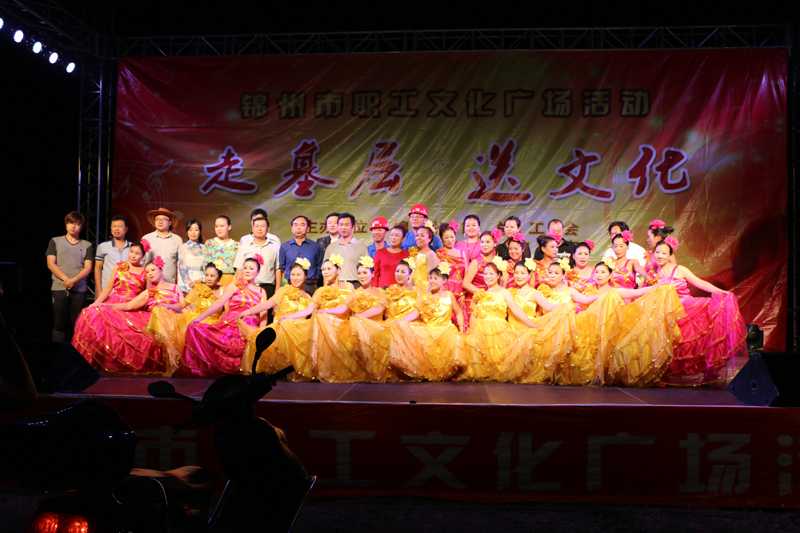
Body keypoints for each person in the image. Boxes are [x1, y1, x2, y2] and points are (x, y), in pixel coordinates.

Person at [652, 239, 747, 386]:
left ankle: (709, 371)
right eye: (657, 252)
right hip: (667, 311)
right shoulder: (656, 272)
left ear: (670, 255)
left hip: (686, 309)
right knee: (672, 344)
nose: (660, 255)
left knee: (693, 343)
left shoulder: (679, 269)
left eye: (664, 253)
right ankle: (669, 373)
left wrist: (720, 292)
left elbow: (700, 283)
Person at [78, 256, 181, 374]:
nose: (150, 274)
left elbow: (182, 305)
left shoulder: (175, 287)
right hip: (158, 320)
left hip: (176, 317)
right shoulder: (149, 293)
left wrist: (171, 307)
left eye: (153, 270)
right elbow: (128, 306)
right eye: (147, 272)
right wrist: (104, 305)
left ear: (160, 270)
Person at [590, 259, 684, 387]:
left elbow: (638, 292)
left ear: (610, 275)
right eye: (597, 272)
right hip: (591, 328)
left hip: (610, 330)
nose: (599, 275)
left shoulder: (615, 291)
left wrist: (657, 286)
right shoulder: (589, 291)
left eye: (603, 272)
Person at [182, 255, 267, 377]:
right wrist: (199, 318)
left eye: (251, 268)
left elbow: (263, 314)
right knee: (195, 329)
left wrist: (261, 332)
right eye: (245, 268)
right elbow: (219, 303)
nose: (247, 270)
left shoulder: (261, 291)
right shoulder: (234, 286)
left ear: (258, 272)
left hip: (250, 325)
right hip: (231, 322)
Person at [460, 260, 537, 382]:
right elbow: (474, 315)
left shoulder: (504, 292)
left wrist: (531, 324)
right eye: (485, 274)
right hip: (481, 331)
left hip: (499, 330)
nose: (488, 276)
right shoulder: (481, 294)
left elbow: (516, 309)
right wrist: (472, 333)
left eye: (491, 274)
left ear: (498, 276)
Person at [239, 258, 316, 378]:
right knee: (268, 334)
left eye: (299, 275)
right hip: (280, 326)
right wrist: (248, 311)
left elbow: (309, 311)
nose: (295, 278)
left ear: (305, 276)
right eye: (293, 274)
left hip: (299, 330)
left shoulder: (308, 297)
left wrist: (290, 317)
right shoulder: (283, 291)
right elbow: (267, 304)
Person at [72, 242, 147, 361]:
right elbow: (108, 288)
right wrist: (96, 302)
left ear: (143, 256)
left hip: (132, 305)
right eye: (131, 252)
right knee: (92, 316)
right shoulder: (119, 267)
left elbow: (147, 293)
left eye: (137, 253)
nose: (133, 255)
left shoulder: (145, 272)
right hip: (113, 301)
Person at [390, 263, 465, 381]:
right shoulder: (425, 296)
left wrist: (461, 327)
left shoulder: (449, 295)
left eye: (435, 278)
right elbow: (416, 312)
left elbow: (458, 312)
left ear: (444, 280)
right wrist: (401, 320)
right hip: (428, 329)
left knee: (454, 342)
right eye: (430, 278)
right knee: (406, 329)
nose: (432, 281)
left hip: (445, 329)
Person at [147, 262, 224, 375]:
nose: (208, 278)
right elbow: (182, 305)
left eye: (212, 276)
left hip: (214, 321)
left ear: (219, 277)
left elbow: (227, 310)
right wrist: (167, 306)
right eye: (207, 275)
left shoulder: (223, 291)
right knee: (171, 319)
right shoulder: (198, 288)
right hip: (196, 318)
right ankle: (183, 364)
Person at [310, 256, 363, 382]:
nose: (325, 272)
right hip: (324, 325)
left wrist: (325, 311)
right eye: (323, 269)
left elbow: (344, 309)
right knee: (320, 319)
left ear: (338, 270)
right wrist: (289, 316)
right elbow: (309, 309)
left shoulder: (348, 287)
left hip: (344, 324)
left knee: (323, 317)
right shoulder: (320, 291)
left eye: (329, 269)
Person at [46, 211, 94, 342]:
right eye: (71, 223)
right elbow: (51, 264)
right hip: (59, 287)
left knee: (77, 322)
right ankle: (57, 350)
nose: (73, 226)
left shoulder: (87, 245)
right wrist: (66, 279)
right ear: (66, 224)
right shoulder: (55, 241)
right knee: (59, 322)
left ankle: (76, 349)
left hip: (79, 289)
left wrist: (73, 280)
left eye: (77, 224)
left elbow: (88, 267)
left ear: (82, 226)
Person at [347, 256, 389, 382]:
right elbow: (346, 308)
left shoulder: (379, 292)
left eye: (365, 273)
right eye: (359, 273)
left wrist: (360, 316)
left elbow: (379, 309)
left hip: (376, 326)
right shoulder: (354, 293)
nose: (362, 276)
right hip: (357, 327)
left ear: (372, 274)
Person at [234, 216, 281, 300]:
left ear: (268, 229)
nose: (259, 229)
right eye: (257, 226)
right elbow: (239, 269)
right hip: (247, 287)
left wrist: (277, 290)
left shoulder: (275, 247)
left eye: (262, 226)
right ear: (252, 229)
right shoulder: (245, 246)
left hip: (268, 287)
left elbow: (278, 269)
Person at [278, 215, 322, 294]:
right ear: (292, 228)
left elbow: (319, 266)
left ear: (308, 229)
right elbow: (282, 267)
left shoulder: (316, 247)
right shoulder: (284, 246)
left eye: (302, 225)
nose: (298, 228)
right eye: (295, 225)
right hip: (290, 285)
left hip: (310, 286)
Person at [323, 212, 368, 287]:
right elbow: (325, 271)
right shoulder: (331, 247)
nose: (343, 227)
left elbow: (367, 270)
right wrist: (326, 287)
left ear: (353, 227)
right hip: (336, 285)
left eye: (346, 225)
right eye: (341, 225)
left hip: (355, 284)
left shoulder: (361, 247)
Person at [141, 207, 183, 284]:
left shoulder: (177, 240)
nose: (160, 222)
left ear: (170, 222)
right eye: (157, 219)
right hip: (151, 284)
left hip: (170, 284)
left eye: (164, 219)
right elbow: (142, 262)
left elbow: (180, 264)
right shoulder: (146, 238)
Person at [94, 215, 131, 293]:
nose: (116, 229)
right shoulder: (103, 246)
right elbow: (97, 268)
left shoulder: (132, 247)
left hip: (126, 290)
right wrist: (99, 290)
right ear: (111, 229)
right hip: (107, 290)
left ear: (126, 229)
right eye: (114, 226)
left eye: (120, 226)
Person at [436, 222, 468, 305]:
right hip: (445, 291)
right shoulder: (440, 253)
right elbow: (437, 276)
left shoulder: (462, 253)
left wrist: (464, 293)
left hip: (460, 292)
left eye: (452, 237)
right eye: (446, 237)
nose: (450, 240)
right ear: (442, 239)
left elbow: (466, 275)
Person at [203, 215, 239, 286]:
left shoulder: (236, 245)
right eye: (216, 226)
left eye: (222, 226)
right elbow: (204, 265)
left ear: (229, 227)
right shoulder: (209, 243)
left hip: (230, 282)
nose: (219, 229)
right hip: (212, 282)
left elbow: (238, 269)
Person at [177, 219, 206, 293]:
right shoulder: (182, 247)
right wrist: (189, 283)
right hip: (187, 283)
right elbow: (181, 269)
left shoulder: (204, 248)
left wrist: (202, 280)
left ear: (200, 232)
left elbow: (206, 268)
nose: (193, 233)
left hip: (201, 281)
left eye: (196, 230)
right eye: (190, 230)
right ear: (187, 232)